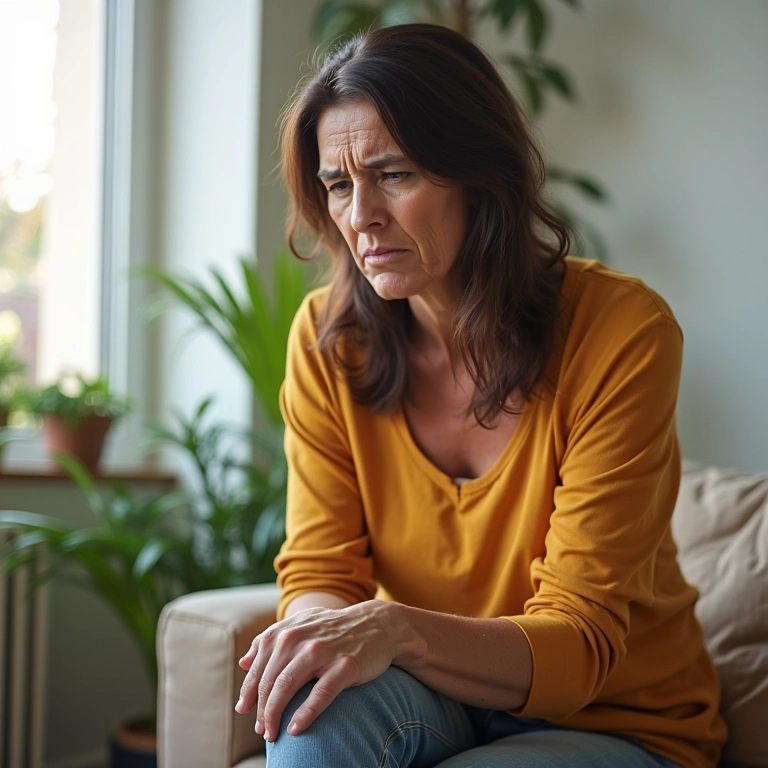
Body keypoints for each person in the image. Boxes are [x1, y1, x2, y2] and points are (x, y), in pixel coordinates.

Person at [234, 23, 727, 768]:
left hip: (616, 720)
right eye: (338, 185)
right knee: (312, 714)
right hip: (434, 693)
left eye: (394, 174)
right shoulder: (329, 342)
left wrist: (396, 629)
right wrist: (320, 636)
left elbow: (578, 645)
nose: (361, 215)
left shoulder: (621, 330)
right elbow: (321, 572)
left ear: (480, 173)